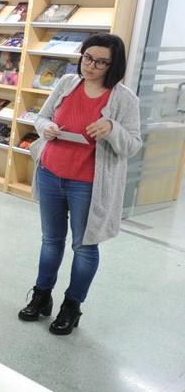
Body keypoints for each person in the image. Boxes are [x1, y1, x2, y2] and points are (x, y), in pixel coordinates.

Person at [19, 33, 141, 335]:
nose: (91, 66)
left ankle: (71, 306)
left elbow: (133, 145)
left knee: (84, 247)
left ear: (113, 66)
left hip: (87, 184)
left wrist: (112, 128)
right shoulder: (66, 84)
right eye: (88, 58)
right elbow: (42, 117)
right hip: (50, 173)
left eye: (101, 62)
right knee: (51, 240)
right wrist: (46, 127)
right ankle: (41, 296)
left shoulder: (124, 99)